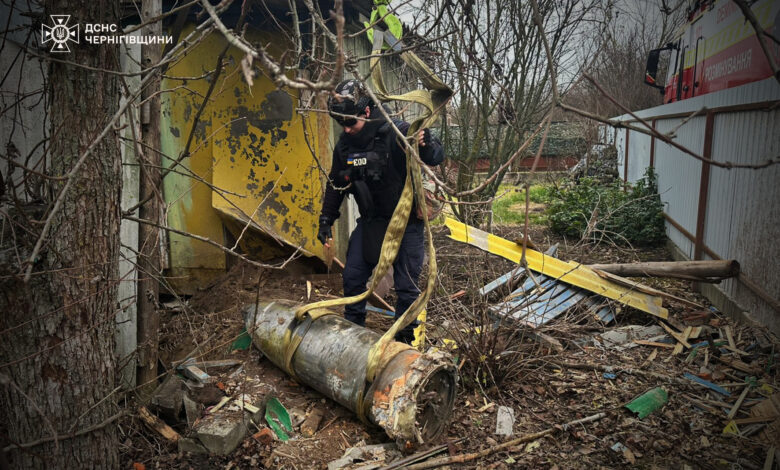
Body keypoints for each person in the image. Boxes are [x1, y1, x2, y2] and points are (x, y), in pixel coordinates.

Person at [317, 79, 444, 344]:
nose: (347, 129)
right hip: (371, 223)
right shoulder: (344, 147)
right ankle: (354, 335)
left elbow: (434, 156)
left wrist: (427, 142)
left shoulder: (397, 133)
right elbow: (336, 184)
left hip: (406, 224)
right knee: (351, 277)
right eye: (342, 125)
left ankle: (403, 341)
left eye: (351, 123)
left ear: (366, 112)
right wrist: (326, 218)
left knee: (407, 288)